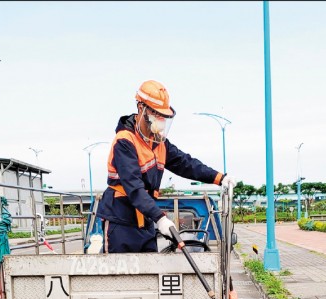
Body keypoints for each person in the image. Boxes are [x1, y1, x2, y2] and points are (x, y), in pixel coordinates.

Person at [97, 80, 235, 253]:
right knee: (120, 275)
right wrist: (161, 219)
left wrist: (219, 178)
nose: (160, 120)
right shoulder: (125, 141)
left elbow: (186, 164)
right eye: (156, 113)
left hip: (145, 220)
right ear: (141, 108)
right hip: (121, 220)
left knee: (150, 274)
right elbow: (134, 187)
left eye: (163, 116)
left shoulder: (159, 142)